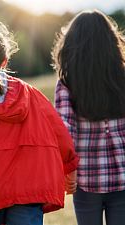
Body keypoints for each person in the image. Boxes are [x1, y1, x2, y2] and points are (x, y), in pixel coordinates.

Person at [0, 19, 79, 225]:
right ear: (5, 61)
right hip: (29, 189)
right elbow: (59, 133)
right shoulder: (30, 94)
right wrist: (70, 168)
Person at [53, 10, 125, 225]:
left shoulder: (67, 82)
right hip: (122, 176)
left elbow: (65, 133)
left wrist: (68, 171)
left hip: (85, 180)